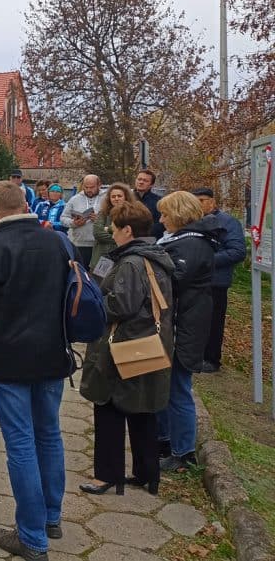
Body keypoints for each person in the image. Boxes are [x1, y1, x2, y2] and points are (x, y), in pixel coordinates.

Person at [0, 181, 73, 561]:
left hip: (9, 360)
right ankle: (52, 518)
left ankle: (33, 538)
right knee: (49, 434)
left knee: (22, 443)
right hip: (53, 352)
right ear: (26, 203)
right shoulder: (56, 241)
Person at [79, 201, 175, 497]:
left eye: (115, 227)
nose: (112, 232)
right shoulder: (153, 256)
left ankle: (107, 475)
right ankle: (148, 473)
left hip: (123, 346)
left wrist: (92, 303)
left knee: (108, 407)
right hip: (146, 344)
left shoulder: (132, 262)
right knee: (141, 409)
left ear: (128, 230)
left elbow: (121, 304)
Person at [156, 191, 223, 471]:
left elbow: (175, 280)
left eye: (165, 215)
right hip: (180, 321)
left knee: (178, 389)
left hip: (185, 325)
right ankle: (165, 438)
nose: (161, 220)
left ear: (180, 216)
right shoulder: (182, 240)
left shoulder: (192, 245)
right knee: (167, 386)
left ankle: (183, 452)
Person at [191, 188, 246, 372]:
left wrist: (206, 260)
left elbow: (238, 252)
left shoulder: (228, 222)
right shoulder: (194, 221)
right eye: (195, 200)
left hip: (216, 281)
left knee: (214, 322)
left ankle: (212, 359)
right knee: (197, 320)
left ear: (212, 202)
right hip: (195, 280)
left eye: (202, 200)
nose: (198, 204)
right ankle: (197, 356)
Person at [89, 183, 135, 280]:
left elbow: (133, 234)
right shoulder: (103, 213)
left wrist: (109, 229)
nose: (116, 198)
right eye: (113, 196)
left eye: (119, 196)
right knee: (99, 288)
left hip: (123, 258)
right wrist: (120, 236)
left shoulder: (132, 214)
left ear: (126, 197)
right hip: (103, 258)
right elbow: (98, 233)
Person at [61, 174, 105, 268]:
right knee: (80, 275)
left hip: (100, 245)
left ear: (99, 185)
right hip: (79, 244)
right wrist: (73, 223)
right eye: (86, 187)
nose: (89, 190)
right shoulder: (74, 199)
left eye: (92, 187)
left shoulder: (106, 198)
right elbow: (63, 218)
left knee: (98, 277)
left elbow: (114, 220)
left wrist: (99, 220)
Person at [134, 170, 164, 238]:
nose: (141, 182)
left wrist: (143, 233)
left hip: (151, 240)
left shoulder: (159, 201)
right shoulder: (126, 198)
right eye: (139, 179)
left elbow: (161, 223)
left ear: (151, 185)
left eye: (145, 181)